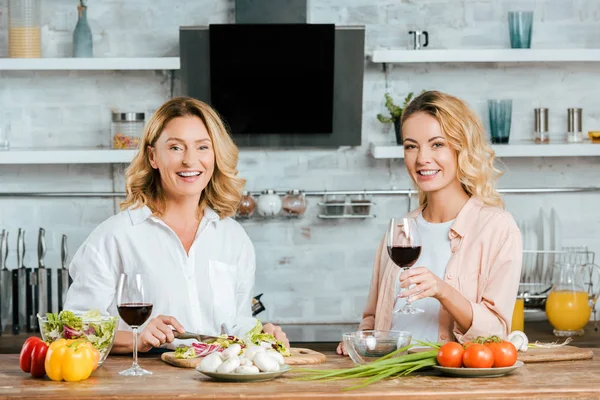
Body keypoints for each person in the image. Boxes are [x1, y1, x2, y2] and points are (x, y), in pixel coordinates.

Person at [65, 96, 288, 353]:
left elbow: (237, 323)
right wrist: (136, 339)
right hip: (145, 383)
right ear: (153, 157)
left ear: (215, 156)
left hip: (216, 382)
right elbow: (76, 329)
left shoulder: (234, 238)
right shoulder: (114, 236)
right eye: (175, 148)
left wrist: (261, 334)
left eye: (203, 147)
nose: (190, 161)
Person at [338, 90, 522, 354]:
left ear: (462, 147)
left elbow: (496, 333)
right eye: (411, 146)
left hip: (451, 385)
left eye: (437, 144)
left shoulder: (497, 229)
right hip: (390, 377)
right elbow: (372, 320)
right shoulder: (400, 231)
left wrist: (442, 291)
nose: (422, 158)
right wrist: (360, 341)